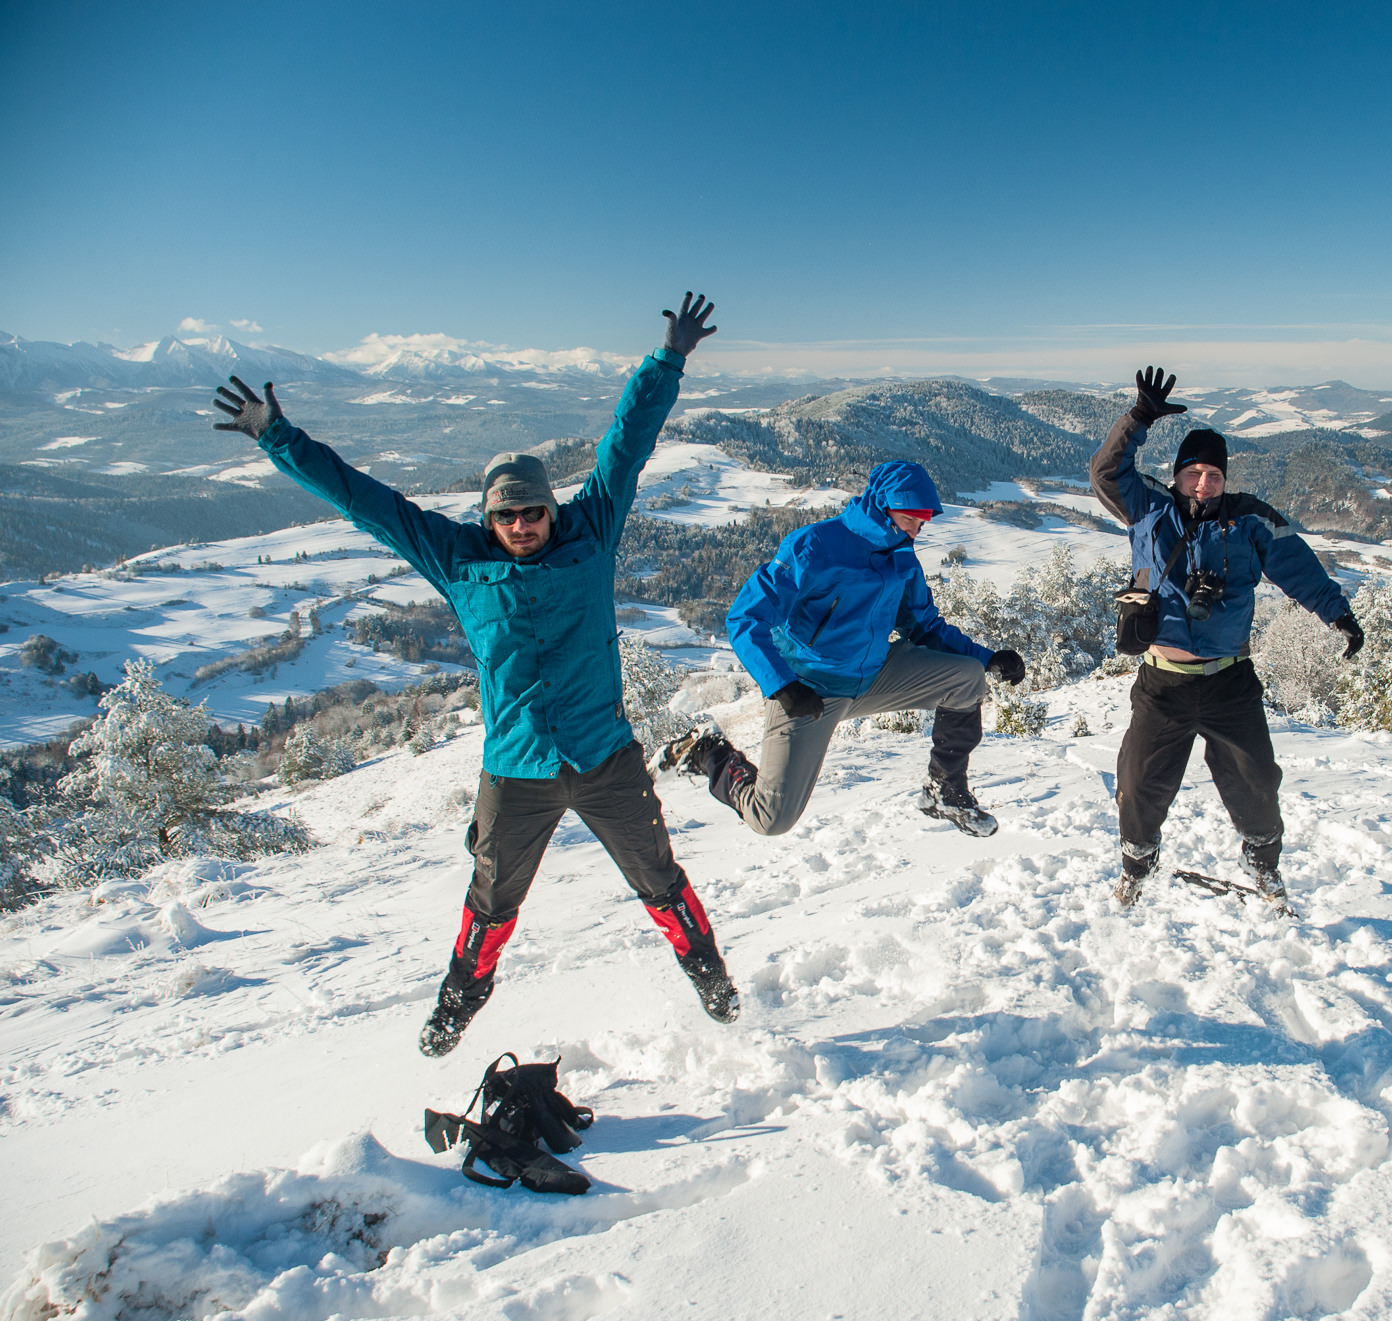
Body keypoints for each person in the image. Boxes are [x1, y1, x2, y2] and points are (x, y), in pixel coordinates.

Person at [211, 293, 741, 1056]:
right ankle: (458, 1004)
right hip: (515, 771)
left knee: (660, 880)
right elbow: (368, 502)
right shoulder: (457, 560)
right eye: (506, 515)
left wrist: (667, 359)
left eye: (532, 511)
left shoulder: (591, 530)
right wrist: (280, 439)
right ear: (487, 520)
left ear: (552, 509)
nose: (522, 524)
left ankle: (710, 976)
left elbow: (625, 446)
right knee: (491, 901)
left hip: (605, 757)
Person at [1090, 367, 1363, 908]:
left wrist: (1339, 616)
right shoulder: (1149, 508)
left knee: (1257, 781)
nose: (1203, 483)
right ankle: (1137, 865)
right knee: (1139, 784)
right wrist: (1139, 417)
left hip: (1230, 682)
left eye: (1213, 475)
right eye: (1193, 473)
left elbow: (1300, 570)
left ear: (1225, 478)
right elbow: (1104, 473)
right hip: (1163, 682)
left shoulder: (1251, 520)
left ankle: (1262, 861)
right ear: (1178, 475)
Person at [664, 459, 1026, 837]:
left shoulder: (902, 556)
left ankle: (945, 791)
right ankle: (710, 752)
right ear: (882, 506)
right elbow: (744, 618)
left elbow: (925, 627)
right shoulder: (815, 547)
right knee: (771, 818)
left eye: (922, 523)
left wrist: (987, 659)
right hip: (810, 691)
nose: (916, 532)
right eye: (909, 520)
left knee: (967, 678)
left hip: (873, 676)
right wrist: (784, 686)